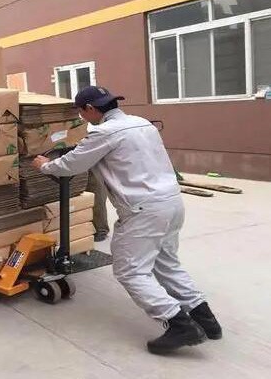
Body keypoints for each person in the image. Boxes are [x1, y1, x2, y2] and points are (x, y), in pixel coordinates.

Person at [32, 86, 222, 355]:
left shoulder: (104, 133)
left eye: (81, 112)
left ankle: (179, 324)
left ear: (89, 109)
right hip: (171, 203)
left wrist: (44, 165)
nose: (82, 117)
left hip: (143, 210)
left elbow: (70, 165)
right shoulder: (142, 123)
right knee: (166, 264)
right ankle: (206, 319)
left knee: (130, 271)